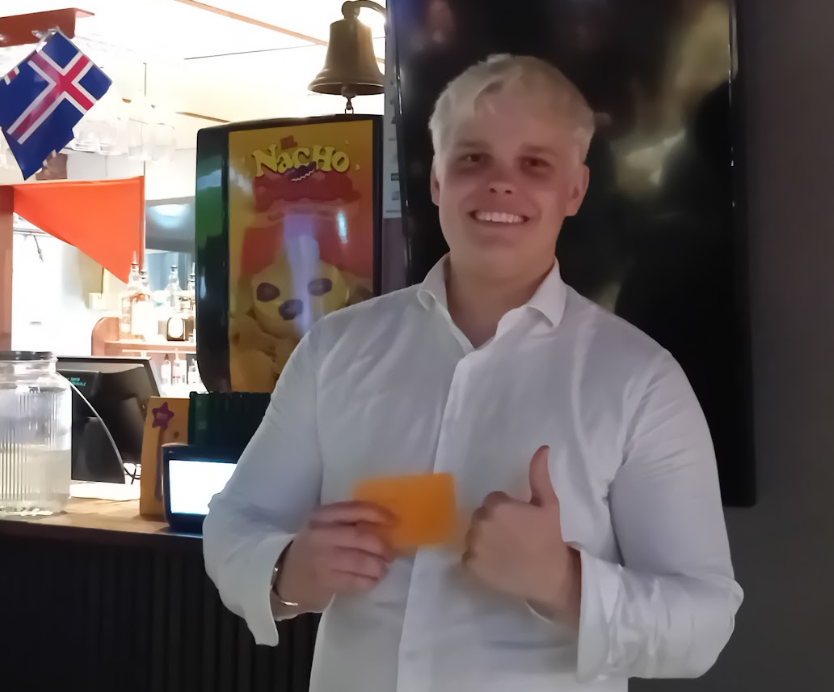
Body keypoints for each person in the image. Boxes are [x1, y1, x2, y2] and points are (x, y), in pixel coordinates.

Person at [203, 54, 743, 692]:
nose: (500, 185)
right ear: (437, 180)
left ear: (575, 191)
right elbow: (235, 522)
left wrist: (565, 584)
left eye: (534, 164)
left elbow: (703, 626)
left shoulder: (642, 382)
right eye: (473, 159)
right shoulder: (335, 350)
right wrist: (286, 573)